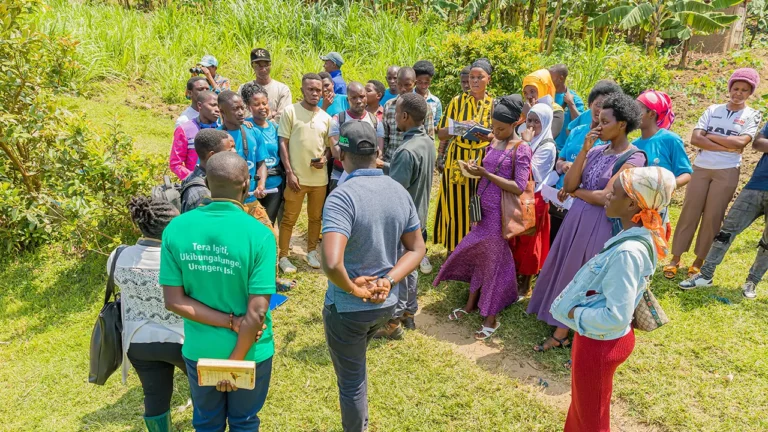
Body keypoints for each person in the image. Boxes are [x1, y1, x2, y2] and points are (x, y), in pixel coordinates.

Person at [550, 166, 676, 432]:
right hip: (597, 340)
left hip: (600, 344)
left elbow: (616, 316)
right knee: (584, 408)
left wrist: (575, 314)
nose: (607, 195)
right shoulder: (634, 236)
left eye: (614, 192)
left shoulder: (628, 252)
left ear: (632, 203)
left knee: (591, 418)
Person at [321, 120, 425, 432]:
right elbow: (417, 249)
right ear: (377, 152)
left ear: (341, 154)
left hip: (348, 307)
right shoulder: (397, 190)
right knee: (357, 369)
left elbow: (330, 262)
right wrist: (389, 280)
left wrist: (355, 289)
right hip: (386, 303)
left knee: (350, 383)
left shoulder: (342, 196)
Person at [161, 151, 276, 432]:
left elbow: (174, 301)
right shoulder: (259, 234)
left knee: (206, 422)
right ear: (246, 186)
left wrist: (228, 322)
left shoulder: (176, 228)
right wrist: (234, 364)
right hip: (250, 352)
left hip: (201, 349)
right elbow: (258, 310)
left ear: (207, 183)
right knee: (244, 422)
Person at [527, 93, 647, 352]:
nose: (598, 126)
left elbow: (606, 197)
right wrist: (583, 151)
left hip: (600, 223)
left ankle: (562, 333)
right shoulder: (594, 150)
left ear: (622, 124)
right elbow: (569, 183)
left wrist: (576, 192)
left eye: (605, 122)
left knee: (582, 274)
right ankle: (557, 315)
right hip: (577, 218)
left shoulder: (634, 158)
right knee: (565, 266)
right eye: (598, 121)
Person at [434, 95, 530, 340]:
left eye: (501, 128)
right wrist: (474, 170)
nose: (495, 132)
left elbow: (519, 186)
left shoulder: (521, 149)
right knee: (480, 257)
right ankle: (470, 305)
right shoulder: (494, 142)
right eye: (493, 127)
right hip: (481, 209)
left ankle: (491, 316)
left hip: (500, 214)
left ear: (515, 124)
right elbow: (487, 169)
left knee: (494, 260)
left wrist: (486, 173)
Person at [665, 68, 762, 279]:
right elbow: (696, 138)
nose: (738, 93)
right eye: (735, 88)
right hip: (701, 167)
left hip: (727, 171)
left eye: (744, 90)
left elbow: (741, 142)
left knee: (713, 216)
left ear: (750, 92)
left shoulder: (752, 115)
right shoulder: (712, 109)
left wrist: (711, 137)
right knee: (689, 212)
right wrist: (726, 145)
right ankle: (675, 258)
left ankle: (698, 261)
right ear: (729, 88)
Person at [111, 196, 184, 432]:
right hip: (181, 340)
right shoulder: (180, 258)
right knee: (203, 390)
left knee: (154, 395)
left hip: (138, 341)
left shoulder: (118, 256)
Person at [680, 121, 768, 298]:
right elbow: (758, 143)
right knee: (727, 230)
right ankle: (706, 275)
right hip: (756, 185)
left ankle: (752, 281)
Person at [375, 93, 436, 338]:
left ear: (404, 116)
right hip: (419, 216)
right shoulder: (427, 142)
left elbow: (395, 192)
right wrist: (387, 165)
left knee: (397, 268)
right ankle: (410, 312)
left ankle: (393, 322)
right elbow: (416, 172)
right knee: (411, 267)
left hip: (402, 221)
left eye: (396, 113)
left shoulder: (405, 150)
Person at [433, 58, 495, 254]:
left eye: (480, 77)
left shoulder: (494, 105)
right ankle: (453, 250)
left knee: (476, 205)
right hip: (457, 159)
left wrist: (486, 134)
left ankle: (473, 251)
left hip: (481, 160)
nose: (475, 81)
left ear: (488, 80)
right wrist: (460, 127)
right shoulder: (457, 102)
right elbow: (441, 133)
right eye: (472, 77)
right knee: (455, 204)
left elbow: (499, 135)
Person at [550, 81, 623, 243]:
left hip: (585, 203)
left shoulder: (609, 142)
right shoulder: (577, 131)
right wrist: (563, 165)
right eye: (597, 104)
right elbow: (561, 159)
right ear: (590, 104)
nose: (600, 110)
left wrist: (574, 188)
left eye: (606, 106)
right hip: (558, 200)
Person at [278, 73, 333, 273]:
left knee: (315, 217)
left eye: (318, 90)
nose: (314, 93)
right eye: (310, 89)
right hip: (296, 179)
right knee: (289, 218)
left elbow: (329, 146)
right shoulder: (290, 111)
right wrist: (289, 173)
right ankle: (283, 256)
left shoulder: (326, 118)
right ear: (302, 90)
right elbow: (282, 142)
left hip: (319, 179)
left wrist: (326, 158)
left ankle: (311, 251)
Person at [633, 89, 692, 241]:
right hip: (633, 207)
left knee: (651, 245)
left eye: (637, 109)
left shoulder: (670, 140)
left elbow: (686, 174)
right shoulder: (633, 145)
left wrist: (664, 187)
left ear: (651, 114)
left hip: (657, 208)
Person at [510, 103, 556, 296]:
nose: (532, 124)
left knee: (528, 243)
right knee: (515, 239)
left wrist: (526, 145)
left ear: (545, 123)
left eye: (537, 121)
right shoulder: (526, 139)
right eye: (530, 119)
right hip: (518, 195)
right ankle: (513, 276)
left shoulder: (547, 147)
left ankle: (525, 282)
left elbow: (532, 172)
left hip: (533, 199)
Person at [217, 91, 269, 220]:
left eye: (242, 108)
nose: (241, 112)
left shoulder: (254, 132)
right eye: (235, 109)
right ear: (222, 112)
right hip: (227, 205)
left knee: (271, 236)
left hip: (251, 200)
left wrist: (261, 185)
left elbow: (261, 163)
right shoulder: (215, 137)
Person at [241, 82, 286, 225]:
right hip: (253, 187)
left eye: (264, 103)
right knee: (250, 224)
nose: (262, 107)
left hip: (274, 184)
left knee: (268, 223)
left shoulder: (275, 127)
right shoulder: (245, 127)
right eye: (257, 104)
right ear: (249, 107)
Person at [328, 82, 384, 192]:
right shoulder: (338, 120)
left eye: (362, 96)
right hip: (340, 175)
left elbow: (379, 152)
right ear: (347, 99)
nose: (358, 101)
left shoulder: (376, 122)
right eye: (353, 98)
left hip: (367, 176)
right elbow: (335, 152)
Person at [381, 67, 435, 169]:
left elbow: (430, 139)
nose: (403, 89)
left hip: (414, 162)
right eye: (399, 84)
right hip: (391, 161)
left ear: (414, 83)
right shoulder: (389, 105)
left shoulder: (424, 107)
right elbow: (385, 136)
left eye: (407, 85)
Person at [180, 129, 235, 213]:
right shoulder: (202, 195)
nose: (234, 152)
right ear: (212, 156)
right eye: (228, 151)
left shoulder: (193, 177)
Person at [170, 90, 220, 180]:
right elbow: (175, 164)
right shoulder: (184, 130)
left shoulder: (222, 130)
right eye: (213, 105)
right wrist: (195, 179)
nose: (217, 109)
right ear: (200, 105)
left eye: (218, 106)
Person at [238, 48, 293, 121]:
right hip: (249, 130)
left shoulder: (282, 89)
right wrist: (270, 115)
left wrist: (266, 120)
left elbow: (283, 117)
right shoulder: (244, 88)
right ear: (252, 66)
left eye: (266, 65)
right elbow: (241, 113)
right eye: (259, 65)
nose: (263, 69)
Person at [521, 69, 565, 140]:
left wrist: (530, 114)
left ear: (544, 89)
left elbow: (548, 137)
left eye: (532, 91)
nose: (528, 96)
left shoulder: (556, 112)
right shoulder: (523, 110)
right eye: (525, 93)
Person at [549, 64, 585, 151]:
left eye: (550, 78)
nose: (548, 81)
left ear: (561, 79)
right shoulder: (546, 95)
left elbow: (580, 124)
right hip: (546, 148)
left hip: (564, 151)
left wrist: (571, 103)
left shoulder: (574, 99)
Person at [413, 60, 443, 128]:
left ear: (431, 80)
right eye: (420, 82)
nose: (423, 86)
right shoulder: (409, 98)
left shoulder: (436, 101)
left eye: (426, 83)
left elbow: (438, 125)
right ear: (415, 80)